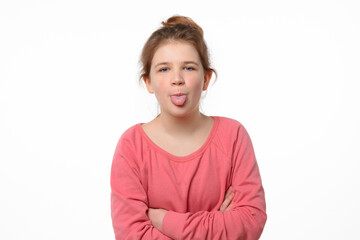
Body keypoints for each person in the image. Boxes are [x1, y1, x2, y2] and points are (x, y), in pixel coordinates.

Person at [110, 15, 267, 239]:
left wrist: (164, 220)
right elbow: (131, 234)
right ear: (148, 82)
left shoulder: (233, 136)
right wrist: (217, 225)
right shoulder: (131, 145)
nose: (177, 79)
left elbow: (251, 221)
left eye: (189, 68)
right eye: (164, 69)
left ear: (206, 79)